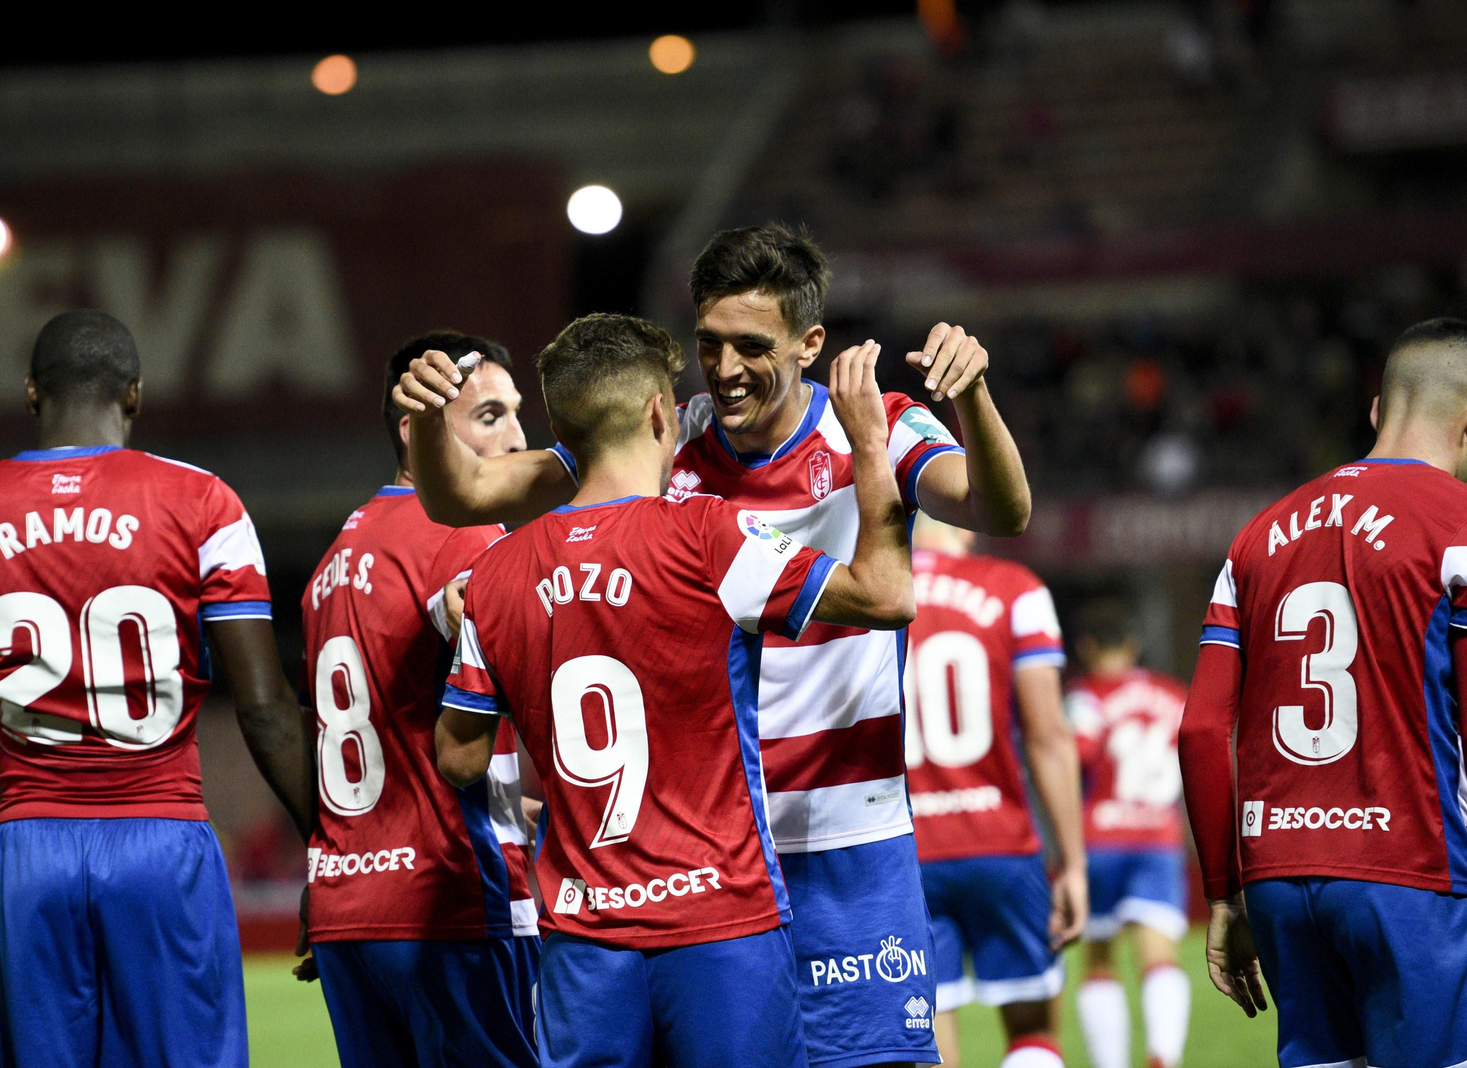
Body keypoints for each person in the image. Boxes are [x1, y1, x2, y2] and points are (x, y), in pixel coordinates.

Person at [396, 223, 1031, 1068]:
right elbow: (470, 491)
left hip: (847, 831)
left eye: (751, 346)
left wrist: (974, 396)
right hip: (710, 853)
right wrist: (428, 418)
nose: (725, 368)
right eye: (709, 343)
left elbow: (1001, 510)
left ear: (809, 343)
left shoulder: (875, 425)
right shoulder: (668, 437)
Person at [435, 313, 916, 1067]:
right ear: (662, 414)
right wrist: (870, 449)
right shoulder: (709, 535)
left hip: (583, 939)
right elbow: (886, 595)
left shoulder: (494, 574)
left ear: (560, 429)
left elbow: (459, 758)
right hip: (721, 923)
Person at [0, 310, 314, 1068]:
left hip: (30, 848)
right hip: (161, 839)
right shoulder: (203, 502)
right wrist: (325, 854)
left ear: (31, 392)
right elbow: (265, 711)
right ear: (134, 394)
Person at [1180, 317, 1467, 1068]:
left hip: (1280, 879)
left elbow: (1199, 731)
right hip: (1417, 876)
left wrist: (1223, 897)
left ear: (1378, 409)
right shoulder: (1465, 528)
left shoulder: (1256, 536)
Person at [295, 333, 541, 1068]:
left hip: (345, 907)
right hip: (448, 898)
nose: (518, 439)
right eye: (490, 416)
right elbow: (473, 619)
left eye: (516, 414)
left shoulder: (331, 564)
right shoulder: (464, 531)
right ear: (417, 428)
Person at [904, 514, 1085, 1068]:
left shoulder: (866, 593)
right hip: (1001, 843)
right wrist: (1073, 863)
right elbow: (1047, 735)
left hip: (906, 854)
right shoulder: (1015, 590)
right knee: (1033, 1027)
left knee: (929, 1036)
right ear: (965, 520)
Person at [1065, 601, 1191, 1068]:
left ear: (1085, 647)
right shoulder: (1173, 695)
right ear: (1133, 645)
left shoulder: (1086, 697)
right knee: (1158, 954)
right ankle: (1163, 1055)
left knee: (1098, 958)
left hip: (1099, 840)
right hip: (1158, 838)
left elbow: (1074, 756)